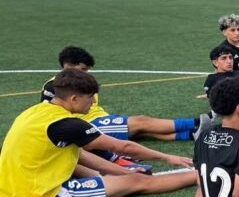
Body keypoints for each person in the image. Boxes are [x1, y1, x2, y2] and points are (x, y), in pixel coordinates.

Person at [0, 69, 196, 197]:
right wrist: (167, 158)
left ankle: (119, 176)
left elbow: (78, 155)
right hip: (37, 196)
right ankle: (202, 175)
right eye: (89, 97)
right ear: (74, 99)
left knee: (122, 175)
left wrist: (120, 172)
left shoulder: (35, 112)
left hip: (13, 187)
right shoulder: (67, 124)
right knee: (137, 181)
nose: (93, 102)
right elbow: (123, 146)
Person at [41, 46, 209, 145]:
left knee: (140, 131)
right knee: (142, 122)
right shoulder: (53, 86)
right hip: (86, 125)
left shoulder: (80, 83)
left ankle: (192, 134)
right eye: (83, 69)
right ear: (67, 65)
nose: (87, 74)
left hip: (98, 119)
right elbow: (53, 120)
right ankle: (197, 122)